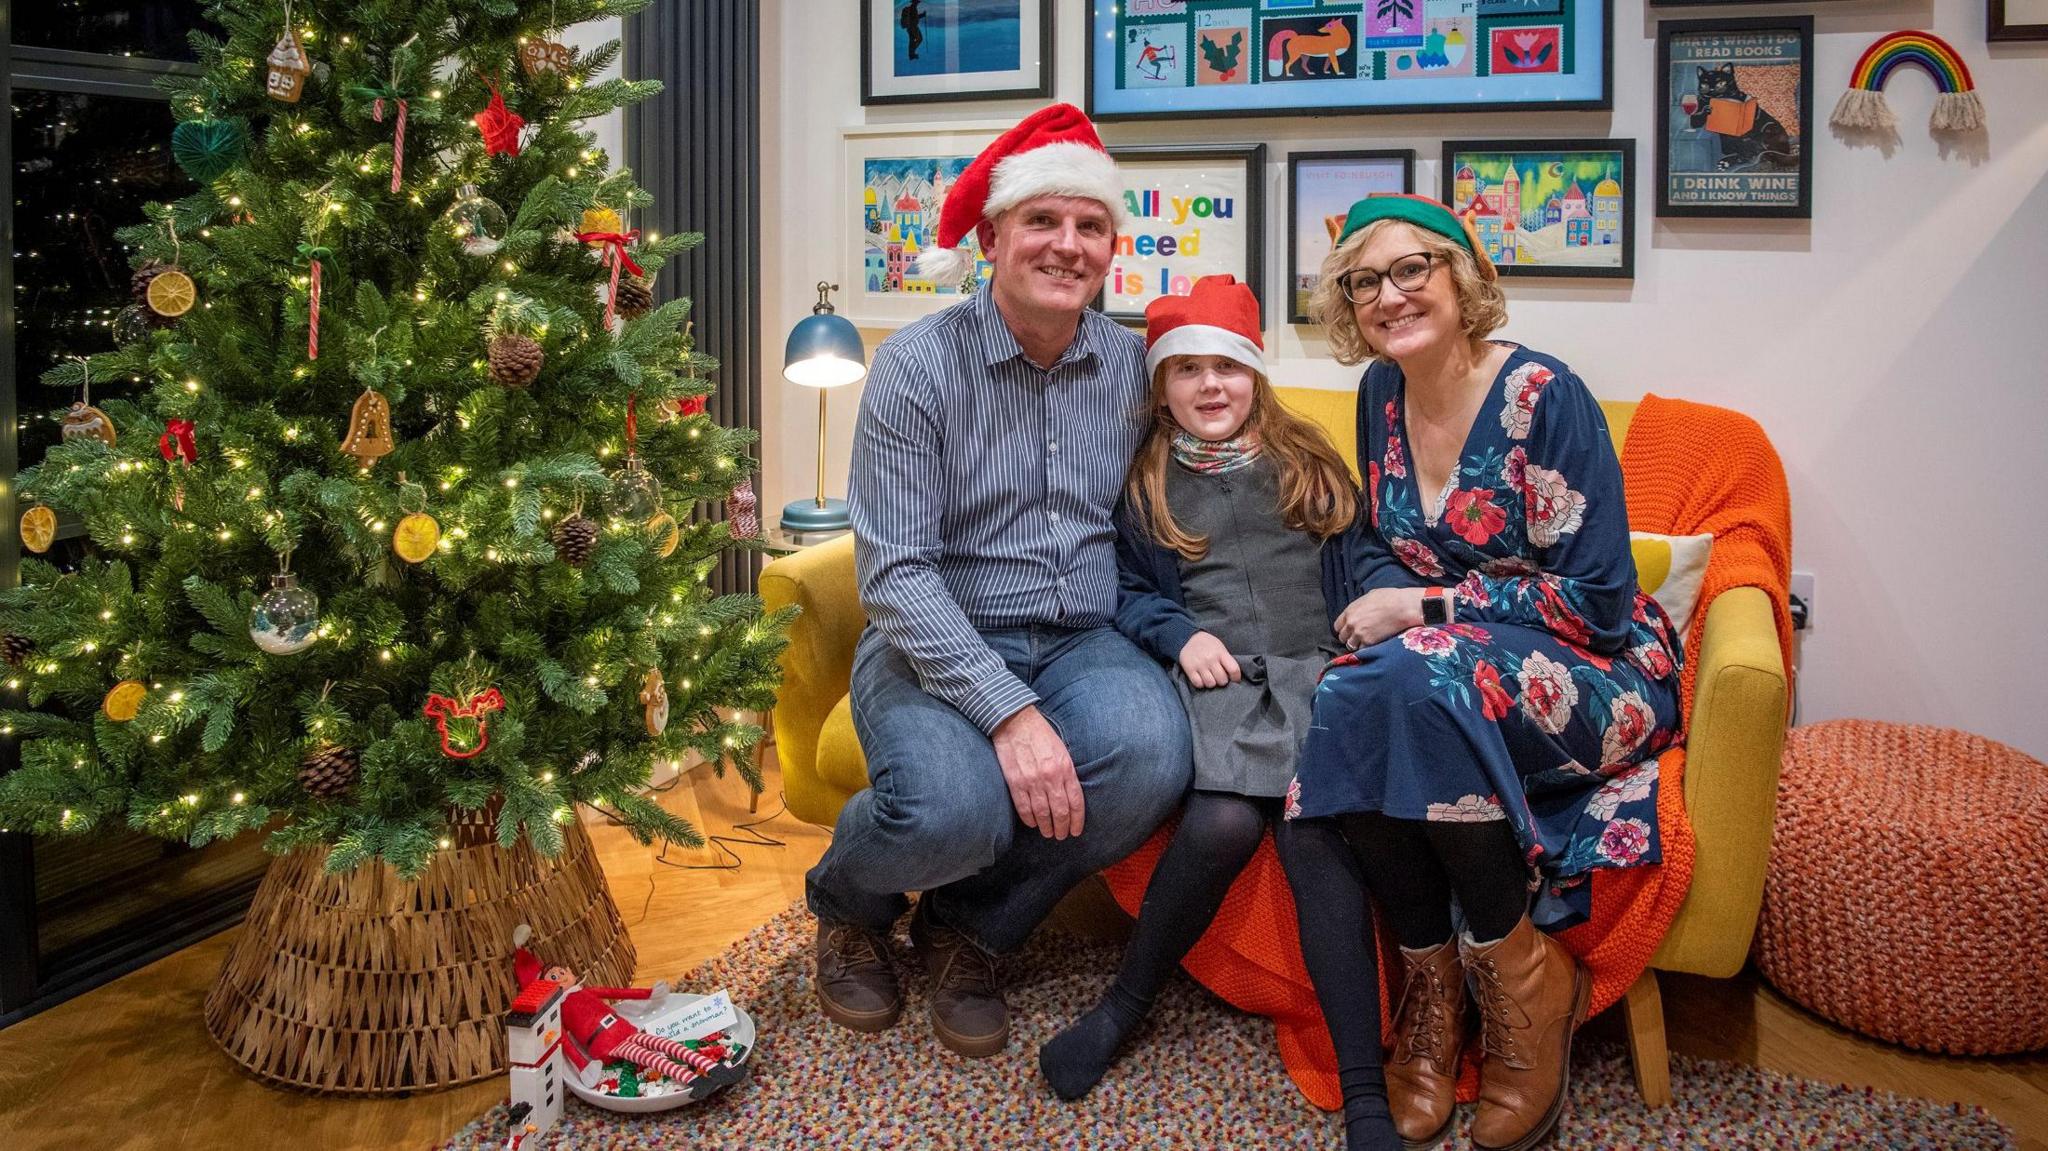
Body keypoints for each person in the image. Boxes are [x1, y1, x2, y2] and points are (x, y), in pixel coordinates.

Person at [1290, 194, 1684, 1151]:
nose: (1390, 295)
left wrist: (1423, 612)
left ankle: (1524, 988)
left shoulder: (1546, 397)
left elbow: (1594, 599)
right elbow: (1383, 546)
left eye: (1411, 268)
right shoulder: (1380, 395)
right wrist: (1388, 607)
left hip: (1600, 671)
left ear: (1462, 277)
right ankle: (1434, 992)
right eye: (1365, 281)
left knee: (1413, 675)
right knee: (1354, 688)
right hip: (1445, 670)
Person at [804, 103, 1192, 1060]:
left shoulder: (1131, 370)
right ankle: (848, 906)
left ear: (1111, 244)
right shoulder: (915, 368)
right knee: (950, 804)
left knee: (1151, 757)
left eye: (1090, 226)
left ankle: (970, 928)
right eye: (1043, 222)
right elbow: (895, 572)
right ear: (992, 237)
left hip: (1079, 637)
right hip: (933, 636)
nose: (1068, 245)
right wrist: (1011, 715)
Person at [1035, 275, 1399, 1150]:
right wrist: (1175, 634)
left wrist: (1382, 607)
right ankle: (1126, 1002)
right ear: (1159, 385)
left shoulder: (1307, 458)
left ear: (1255, 375)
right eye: (1186, 369)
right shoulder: (1146, 484)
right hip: (1221, 686)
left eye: (1226, 366)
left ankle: (1363, 1090)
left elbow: (1370, 554)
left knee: (1316, 834)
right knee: (1224, 822)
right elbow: (1119, 589)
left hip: (1323, 680)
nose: (1209, 386)